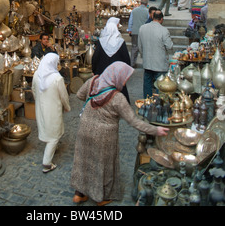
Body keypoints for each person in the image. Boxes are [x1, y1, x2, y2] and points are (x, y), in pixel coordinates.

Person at [70, 62, 169, 206]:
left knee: (83, 159)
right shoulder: (118, 98)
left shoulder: (93, 81)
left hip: (84, 127)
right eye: (124, 78)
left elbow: (79, 94)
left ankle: (79, 194)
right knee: (103, 164)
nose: (124, 82)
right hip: (104, 135)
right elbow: (134, 122)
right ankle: (101, 197)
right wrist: (156, 130)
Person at [32, 53, 70, 173]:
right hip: (53, 109)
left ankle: (52, 148)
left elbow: (33, 90)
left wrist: (38, 100)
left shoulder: (37, 74)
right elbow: (63, 96)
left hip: (40, 108)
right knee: (54, 135)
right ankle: (47, 163)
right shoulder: (57, 78)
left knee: (46, 128)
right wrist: (67, 107)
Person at [92, 17, 131, 102]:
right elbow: (126, 58)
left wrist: (94, 70)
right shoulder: (120, 42)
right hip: (117, 74)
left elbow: (95, 57)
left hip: (102, 72)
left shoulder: (101, 42)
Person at [138, 10, 174, 98]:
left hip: (147, 62)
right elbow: (169, 46)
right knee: (160, 85)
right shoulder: (163, 30)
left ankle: (147, 103)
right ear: (161, 19)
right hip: (160, 64)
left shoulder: (142, 28)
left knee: (147, 84)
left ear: (152, 17)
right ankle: (158, 104)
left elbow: (140, 46)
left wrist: (144, 55)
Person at [127, 0, 149, 67]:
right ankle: (146, 64)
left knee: (134, 47)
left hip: (135, 31)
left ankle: (132, 63)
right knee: (144, 48)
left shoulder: (134, 10)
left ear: (140, 3)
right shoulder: (147, 11)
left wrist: (130, 29)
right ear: (147, 4)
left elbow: (131, 21)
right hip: (144, 32)